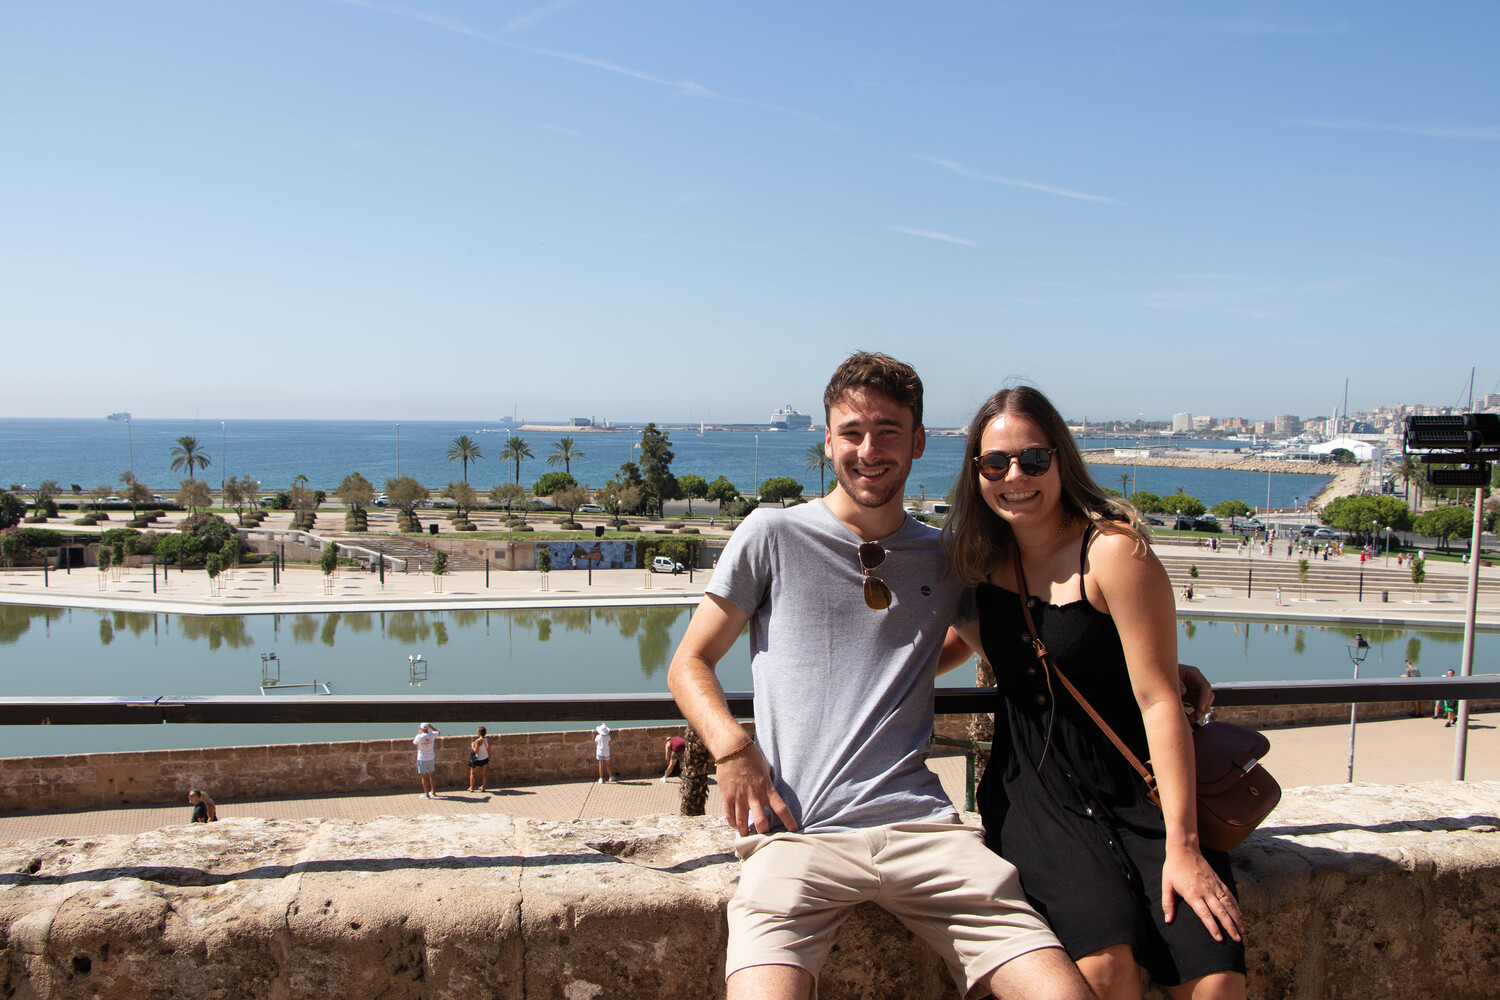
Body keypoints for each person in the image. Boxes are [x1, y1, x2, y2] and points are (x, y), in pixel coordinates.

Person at [669, 352, 1098, 1000]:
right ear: (828, 440)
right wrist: (732, 749)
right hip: (796, 836)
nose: (869, 450)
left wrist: (1149, 668)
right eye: (852, 432)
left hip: (925, 831)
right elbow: (689, 662)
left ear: (918, 441)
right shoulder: (772, 534)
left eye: (888, 431)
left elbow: (1018, 651)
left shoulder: (945, 554)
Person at [943, 384, 1245, 1000]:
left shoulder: (1113, 552)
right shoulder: (979, 564)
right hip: (1035, 791)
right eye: (995, 463)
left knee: (1214, 980)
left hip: (1138, 790)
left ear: (1061, 459)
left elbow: (1159, 700)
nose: (1014, 476)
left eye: (1033, 459)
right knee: (1105, 969)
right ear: (977, 473)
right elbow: (944, 647)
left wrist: (1184, 847)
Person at [413, 722, 441, 798]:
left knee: (424, 777)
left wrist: (419, 732)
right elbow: (438, 732)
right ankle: (433, 791)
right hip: (431, 757)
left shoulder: (419, 736)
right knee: (432, 775)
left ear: (421, 728)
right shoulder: (432, 735)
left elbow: (414, 743)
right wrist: (431, 726)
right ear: (427, 728)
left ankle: (426, 794)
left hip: (422, 758)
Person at [468, 725, 491, 792]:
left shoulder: (478, 741)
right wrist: (490, 757)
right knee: (484, 773)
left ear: (479, 733)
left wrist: (472, 746)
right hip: (485, 758)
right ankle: (483, 787)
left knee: (472, 773)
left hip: (478, 760)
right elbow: (489, 749)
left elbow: (476, 751)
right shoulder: (487, 740)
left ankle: (471, 787)